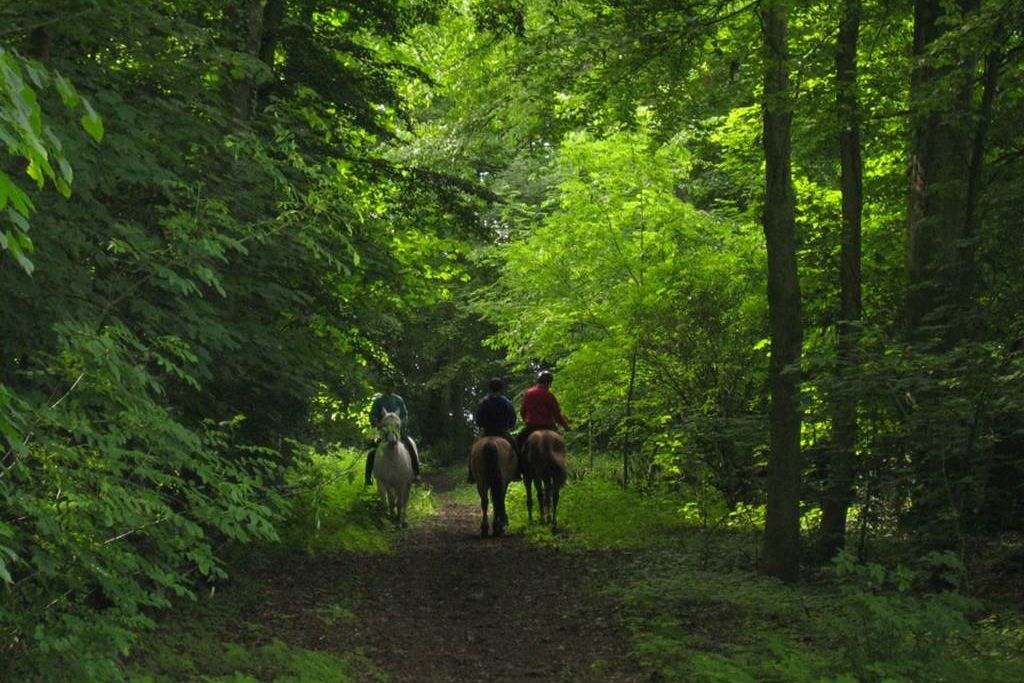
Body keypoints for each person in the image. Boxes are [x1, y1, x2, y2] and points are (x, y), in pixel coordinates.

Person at [365, 384, 421, 486]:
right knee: (372, 451)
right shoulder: (378, 401)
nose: (388, 389)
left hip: (397, 429)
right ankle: (368, 477)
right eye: (387, 387)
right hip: (383, 430)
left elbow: (404, 414)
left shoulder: (398, 399)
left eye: (390, 386)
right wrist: (378, 424)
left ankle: (416, 473)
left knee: (410, 445)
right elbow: (372, 415)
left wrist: (400, 424)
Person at [470, 377, 518, 482]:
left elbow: (478, 418)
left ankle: (471, 473)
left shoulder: (483, 402)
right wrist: (509, 426)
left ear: (490, 388)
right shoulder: (507, 402)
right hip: (503, 432)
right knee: (515, 447)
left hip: (486, 432)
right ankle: (518, 472)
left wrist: (482, 425)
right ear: (501, 388)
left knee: (473, 450)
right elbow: (513, 418)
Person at [516, 370, 570, 455]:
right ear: (549, 382)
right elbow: (557, 414)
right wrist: (566, 426)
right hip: (548, 427)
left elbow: (523, 411)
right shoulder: (549, 395)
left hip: (531, 427)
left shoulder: (528, 393)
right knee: (560, 448)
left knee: (517, 444)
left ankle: (519, 466)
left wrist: (526, 421)